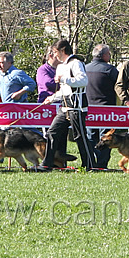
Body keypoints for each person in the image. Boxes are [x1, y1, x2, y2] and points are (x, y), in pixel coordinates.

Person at [39, 39, 96, 171]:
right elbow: (65, 90)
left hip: (77, 107)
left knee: (80, 136)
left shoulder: (76, 63)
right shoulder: (61, 66)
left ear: (62, 50)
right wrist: (52, 98)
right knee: (52, 132)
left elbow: (83, 81)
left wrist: (64, 79)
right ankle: (47, 164)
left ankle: (90, 165)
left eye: (55, 52)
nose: (54, 55)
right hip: (64, 107)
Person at [86, 44, 119, 169]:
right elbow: (120, 85)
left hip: (89, 109)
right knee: (105, 138)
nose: (109, 56)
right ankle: (101, 164)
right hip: (106, 110)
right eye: (109, 54)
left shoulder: (84, 68)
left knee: (90, 137)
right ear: (104, 55)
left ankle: (91, 163)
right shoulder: (110, 70)